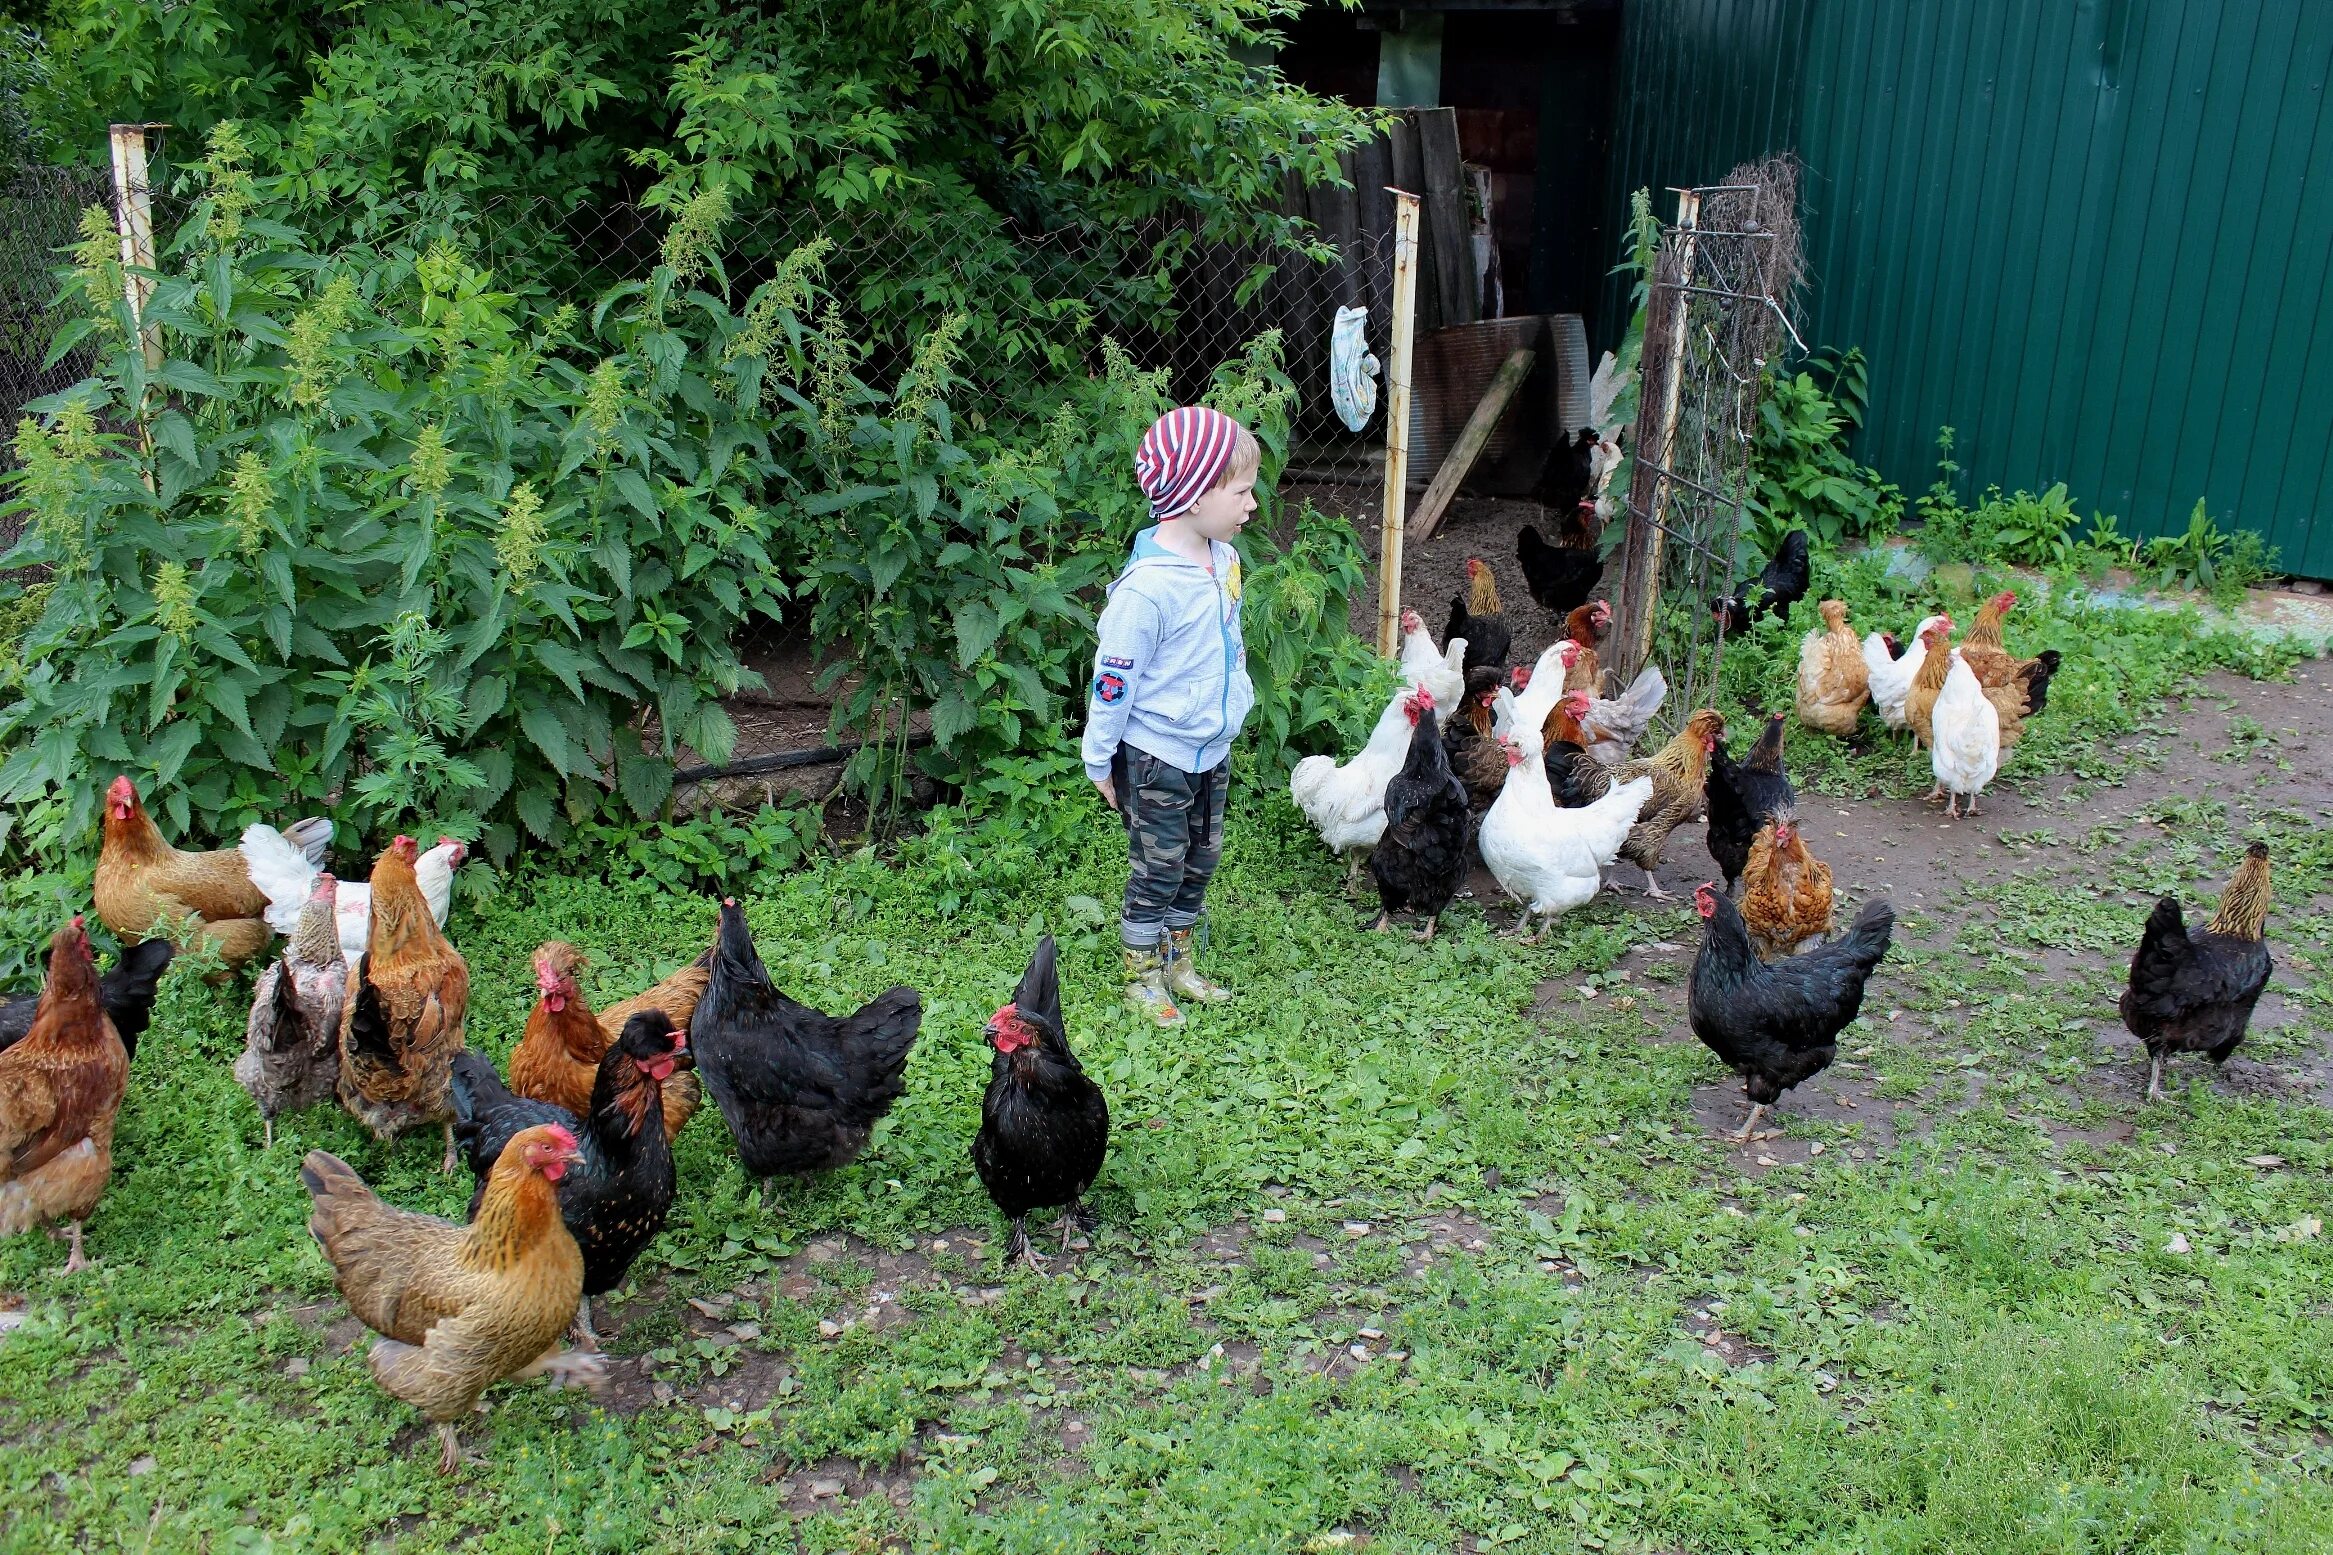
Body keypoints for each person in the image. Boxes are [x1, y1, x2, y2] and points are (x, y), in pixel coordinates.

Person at [1081, 405, 1259, 1027]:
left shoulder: (1224, 561)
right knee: (1158, 867)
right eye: (1240, 491)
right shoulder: (1146, 591)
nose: (1251, 505)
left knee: (1199, 860)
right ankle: (1141, 976)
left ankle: (1180, 963)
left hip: (1211, 747)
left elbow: (1228, 646)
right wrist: (1099, 756)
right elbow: (1113, 681)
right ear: (1193, 493)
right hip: (1158, 754)